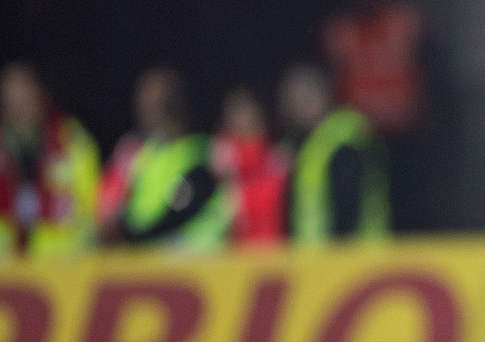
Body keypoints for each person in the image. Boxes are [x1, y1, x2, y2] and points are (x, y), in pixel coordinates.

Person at [98, 67, 231, 250]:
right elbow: (109, 214)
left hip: (199, 265)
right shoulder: (136, 154)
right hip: (146, 266)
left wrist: (136, 238)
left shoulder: (206, 152)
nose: (143, 108)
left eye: (153, 103)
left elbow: (183, 211)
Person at [277, 64, 390, 244]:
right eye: (292, 98)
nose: (299, 105)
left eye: (305, 95)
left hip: (351, 258)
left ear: (324, 93)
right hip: (319, 262)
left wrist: (341, 252)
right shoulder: (310, 144)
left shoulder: (345, 136)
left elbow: (349, 205)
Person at [0, 62, 102, 258]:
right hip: (6, 268)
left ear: (41, 95)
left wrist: (38, 205)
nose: (20, 108)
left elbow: (91, 206)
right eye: (12, 101)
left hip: (61, 265)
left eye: (26, 99)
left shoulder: (71, 139)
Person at [213, 87, 289, 246]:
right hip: (240, 244)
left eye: (246, 110)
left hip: (275, 241)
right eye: (236, 112)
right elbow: (227, 205)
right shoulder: (225, 153)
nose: (243, 118)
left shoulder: (276, 153)